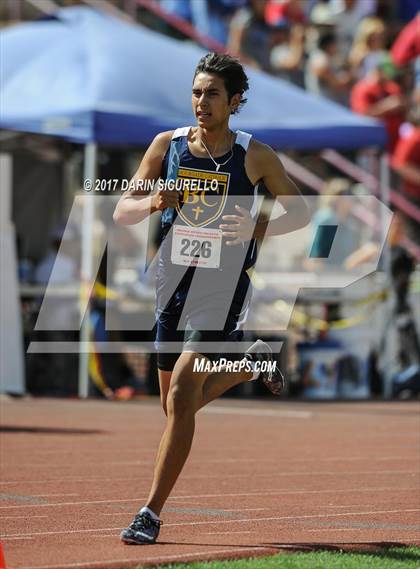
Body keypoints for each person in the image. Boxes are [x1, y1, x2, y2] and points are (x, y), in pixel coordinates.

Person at [113, 52, 309, 545]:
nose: (202, 102)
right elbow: (122, 211)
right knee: (172, 408)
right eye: (197, 92)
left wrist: (257, 223)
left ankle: (150, 513)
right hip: (171, 284)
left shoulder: (254, 155)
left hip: (221, 289)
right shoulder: (167, 146)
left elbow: (301, 213)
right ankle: (250, 364)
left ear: (235, 101)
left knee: (181, 396)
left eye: (213, 94)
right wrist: (153, 201)